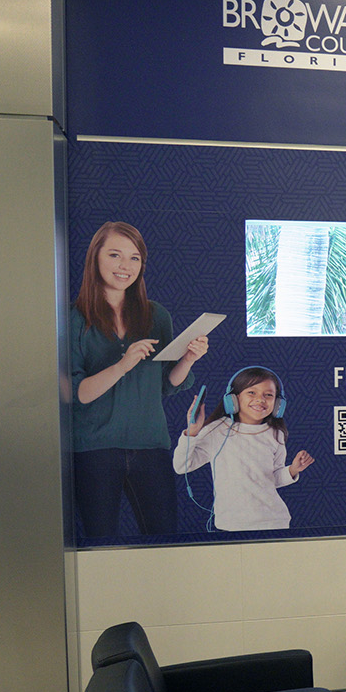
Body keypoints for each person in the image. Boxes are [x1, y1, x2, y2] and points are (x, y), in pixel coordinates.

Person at [70, 221, 211, 538]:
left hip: (151, 445)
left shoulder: (156, 315)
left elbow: (166, 384)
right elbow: (80, 394)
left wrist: (189, 358)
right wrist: (123, 365)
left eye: (134, 258)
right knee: (99, 542)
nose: (125, 266)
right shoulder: (74, 318)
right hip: (95, 448)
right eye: (115, 255)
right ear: (95, 258)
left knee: (163, 541)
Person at [174, 366, 313, 531]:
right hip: (232, 523)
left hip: (274, 521)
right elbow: (182, 466)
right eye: (251, 393)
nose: (260, 399)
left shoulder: (276, 434)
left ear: (278, 403)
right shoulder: (217, 430)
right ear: (233, 398)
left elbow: (273, 479)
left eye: (268, 395)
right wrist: (192, 433)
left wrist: (292, 470)